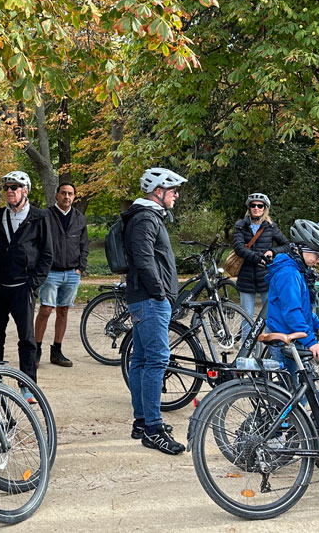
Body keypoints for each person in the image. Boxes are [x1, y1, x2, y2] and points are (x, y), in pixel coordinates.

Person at [123, 166, 188, 455]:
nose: (176, 195)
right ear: (158, 191)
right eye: (172, 190)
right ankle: (153, 428)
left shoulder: (146, 216)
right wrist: (160, 293)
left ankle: (142, 421)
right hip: (150, 299)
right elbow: (144, 258)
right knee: (156, 362)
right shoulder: (146, 218)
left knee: (140, 360)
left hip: (145, 298)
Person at [0, 171, 52, 395]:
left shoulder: (39, 217)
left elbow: (47, 255)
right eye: (7, 188)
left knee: (27, 339)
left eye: (14, 187)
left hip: (23, 288)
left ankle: (28, 386)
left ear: (25, 190)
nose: (10, 191)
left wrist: (34, 284)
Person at [264, 219, 319, 380]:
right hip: (285, 337)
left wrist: (318, 326)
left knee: (300, 387)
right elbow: (292, 312)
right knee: (293, 391)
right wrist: (312, 342)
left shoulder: (299, 270)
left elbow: (304, 308)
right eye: (317, 255)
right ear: (300, 249)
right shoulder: (289, 274)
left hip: (295, 334)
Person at [35, 182, 88, 368]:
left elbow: (84, 246)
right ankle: (36, 349)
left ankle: (56, 350)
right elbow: (36, 242)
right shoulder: (45, 216)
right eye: (63, 193)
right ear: (57, 195)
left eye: (71, 194)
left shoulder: (80, 218)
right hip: (51, 272)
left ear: (74, 197)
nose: (67, 197)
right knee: (46, 310)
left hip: (72, 273)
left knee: (63, 311)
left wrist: (80, 268)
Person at [231, 193, 288, 331]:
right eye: (253, 205)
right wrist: (259, 258)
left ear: (265, 208)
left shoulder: (271, 226)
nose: (256, 208)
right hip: (246, 276)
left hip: (265, 276)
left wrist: (273, 252)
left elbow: (286, 245)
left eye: (260, 206)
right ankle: (247, 351)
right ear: (249, 208)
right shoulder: (241, 226)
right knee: (247, 317)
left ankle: (270, 349)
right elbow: (238, 248)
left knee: (269, 316)